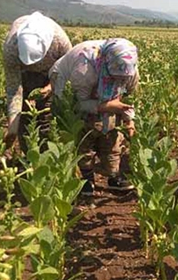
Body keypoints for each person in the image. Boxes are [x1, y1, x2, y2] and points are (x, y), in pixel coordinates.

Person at [49, 39, 139, 195]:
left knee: (112, 136)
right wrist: (105, 106)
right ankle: (85, 179)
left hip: (101, 95)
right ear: (107, 64)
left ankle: (113, 177)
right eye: (115, 76)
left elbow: (127, 98)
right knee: (84, 135)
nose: (119, 81)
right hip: (69, 85)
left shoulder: (128, 69)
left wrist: (129, 121)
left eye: (122, 78)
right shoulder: (84, 70)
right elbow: (76, 104)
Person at [2, 11, 72, 154]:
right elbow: (14, 89)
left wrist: (51, 86)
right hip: (25, 76)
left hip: (52, 72)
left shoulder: (61, 41)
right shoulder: (11, 47)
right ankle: (29, 156)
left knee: (48, 116)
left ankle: (48, 154)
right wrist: (12, 127)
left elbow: (67, 73)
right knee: (25, 119)